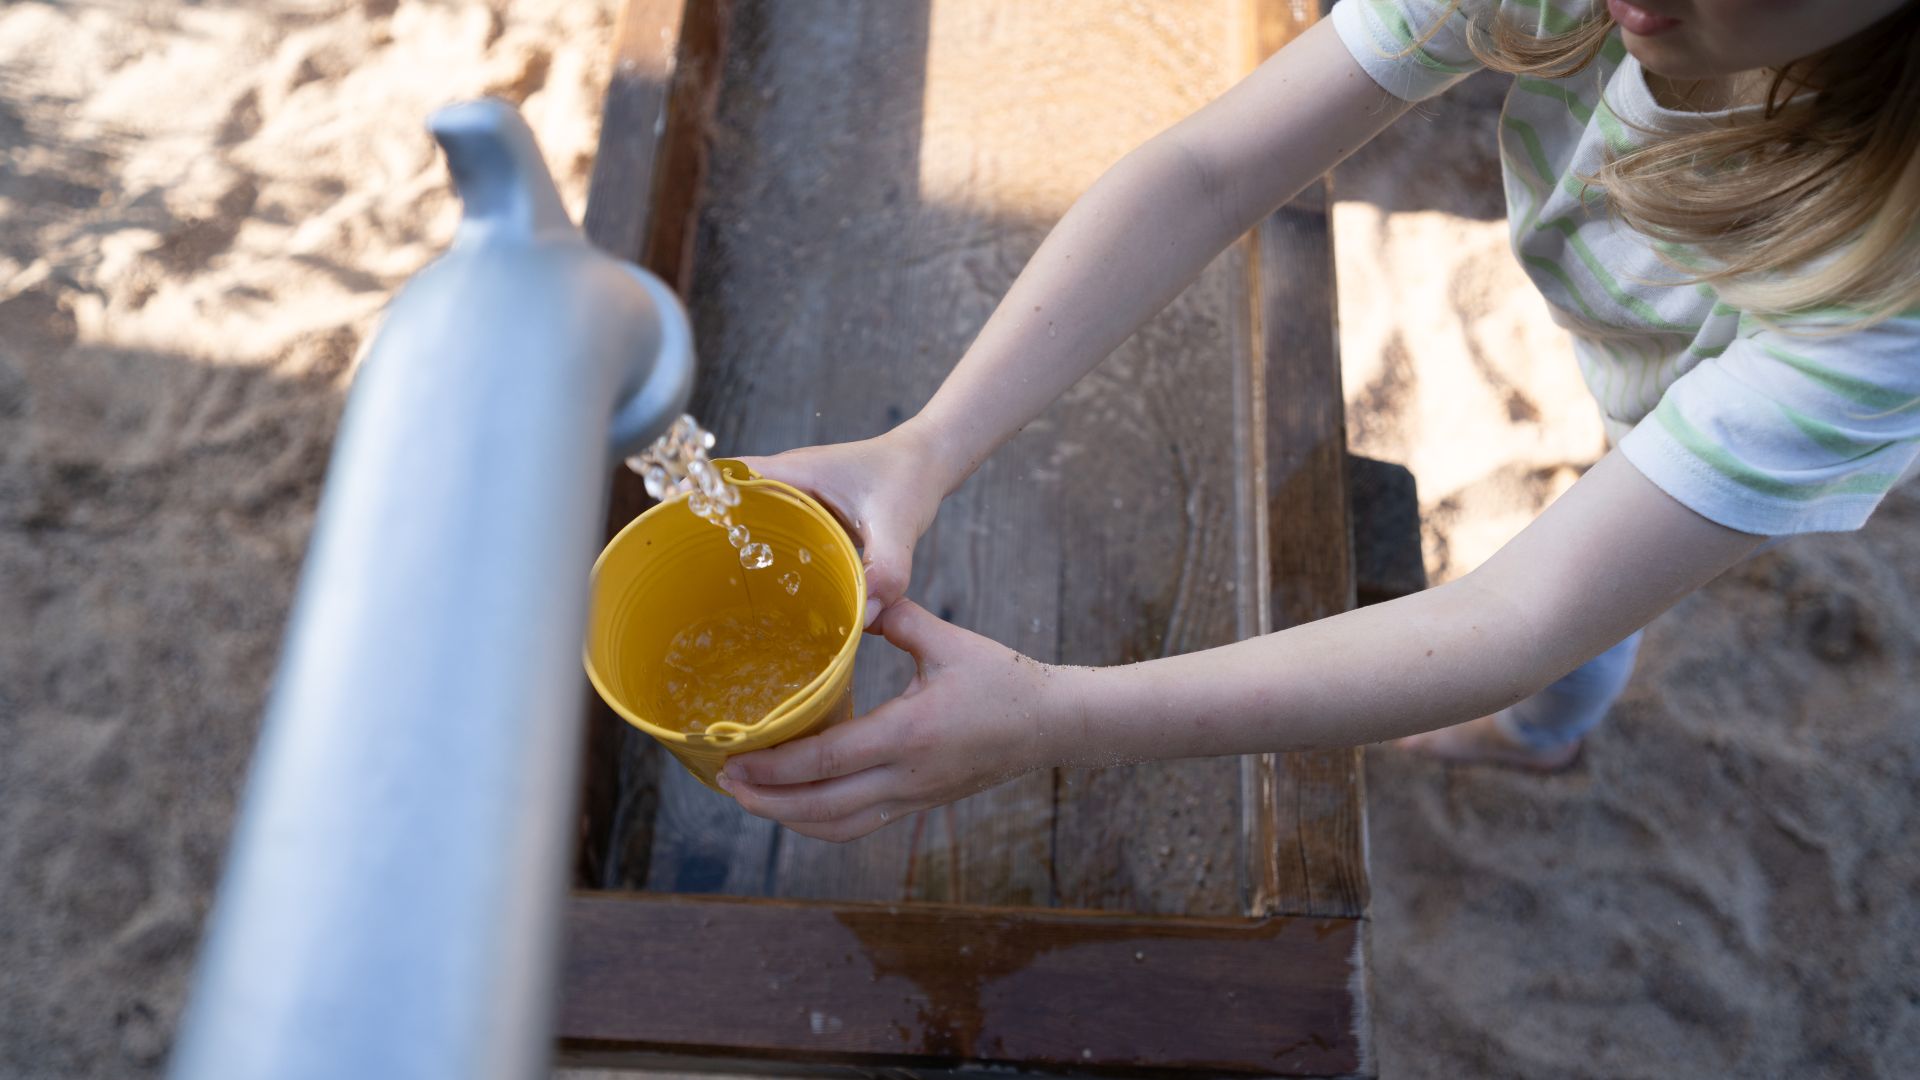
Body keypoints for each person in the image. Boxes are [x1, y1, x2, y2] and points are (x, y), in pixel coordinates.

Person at [715, 0, 1920, 841]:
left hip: (1715, 345)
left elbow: (1519, 615)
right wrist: (923, 447)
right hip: (1636, 296)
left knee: (1603, 601)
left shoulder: (1890, 303)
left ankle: (1542, 738)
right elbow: (1209, 171)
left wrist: (1053, 716)